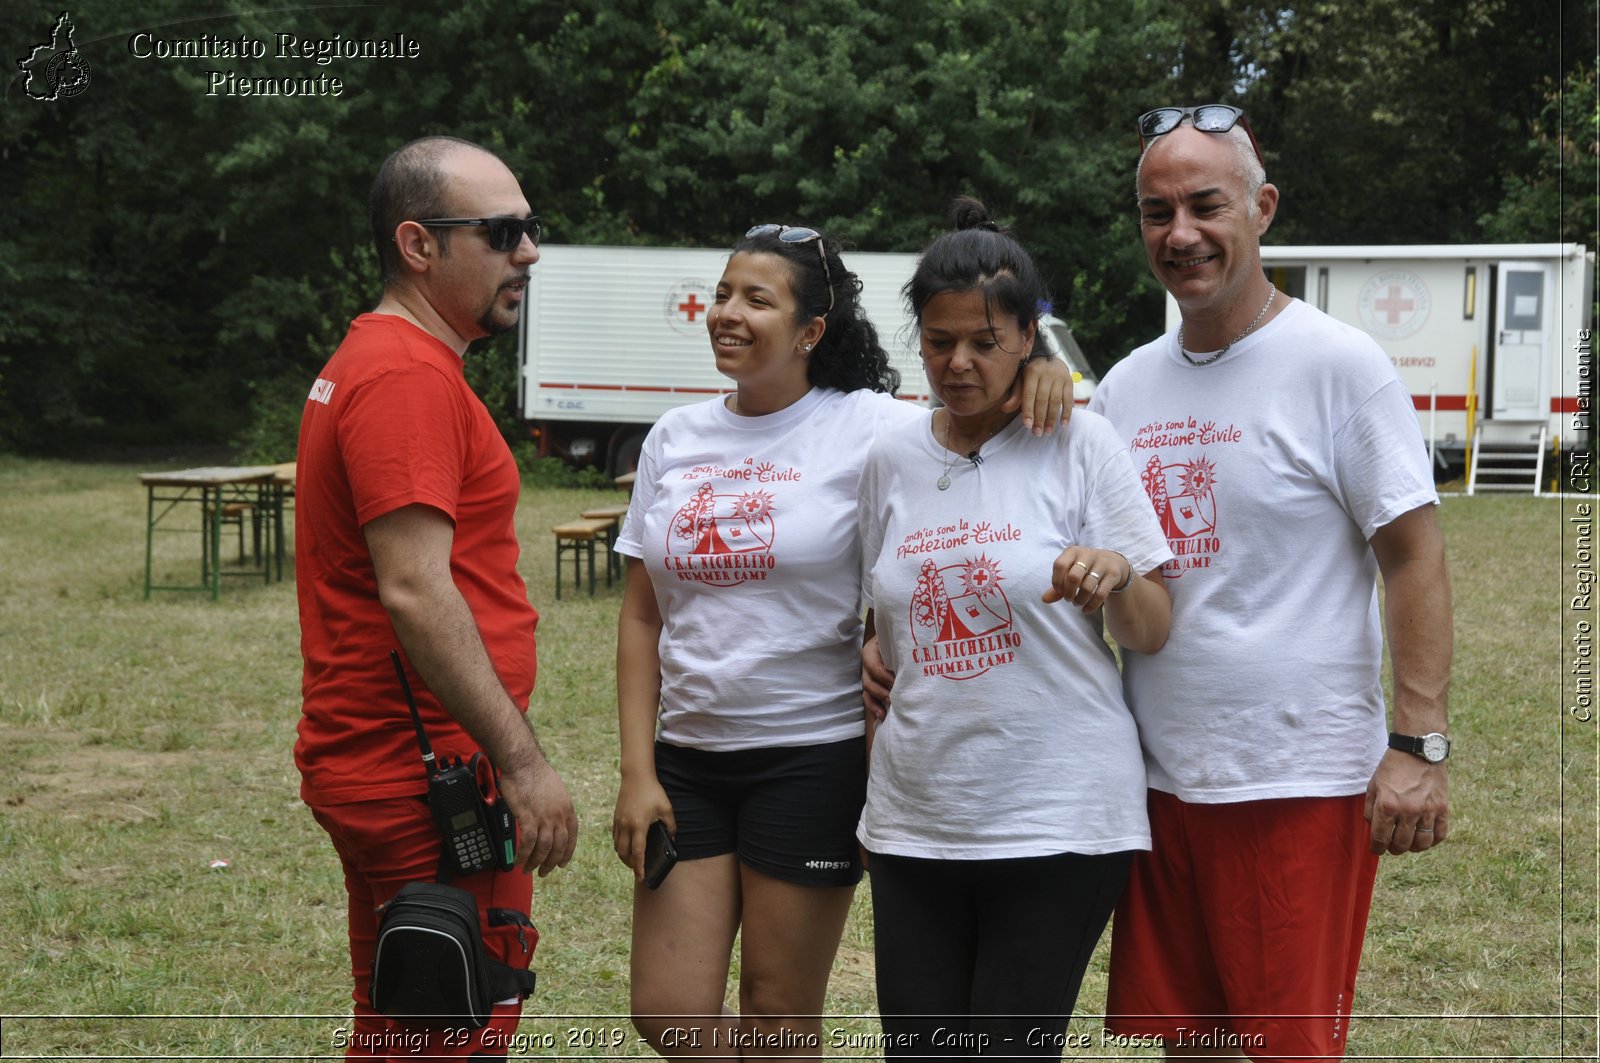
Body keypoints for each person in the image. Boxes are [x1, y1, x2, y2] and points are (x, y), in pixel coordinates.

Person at [610, 222, 1076, 1059]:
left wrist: (1038, 368)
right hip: (687, 759)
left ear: (811, 330)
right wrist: (636, 771)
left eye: (758, 298)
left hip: (810, 756)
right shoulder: (673, 438)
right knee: (666, 1010)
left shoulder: (868, 426)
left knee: (777, 1012)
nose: (728, 312)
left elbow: (978, 406)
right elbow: (642, 614)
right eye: (723, 293)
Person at [1088, 104, 1453, 1061]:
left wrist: (1418, 743)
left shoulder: (1339, 367)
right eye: (1155, 212)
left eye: (1205, 205)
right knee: (1192, 1046)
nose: (1181, 235)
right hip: (1161, 783)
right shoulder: (1124, 387)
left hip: (1296, 783)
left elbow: (1412, 554)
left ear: (1264, 209)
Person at [854, 199, 1173, 1058]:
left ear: (1029, 337)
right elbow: (886, 610)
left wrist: (1115, 572)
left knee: (1006, 1049)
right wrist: (871, 649)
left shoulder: (1082, 443)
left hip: (1058, 814)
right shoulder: (890, 456)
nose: (957, 363)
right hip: (916, 814)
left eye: (984, 343)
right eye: (937, 341)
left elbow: (1151, 628)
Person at [295, 135, 579, 1061]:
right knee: (450, 1035)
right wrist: (522, 762)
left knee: (403, 1027)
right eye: (502, 232)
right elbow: (416, 590)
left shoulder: (388, 361)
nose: (527, 251)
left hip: (400, 762)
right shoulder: (406, 377)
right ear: (419, 245)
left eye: (530, 228)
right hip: (428, 776)